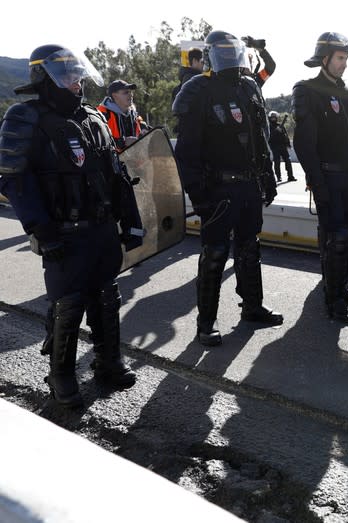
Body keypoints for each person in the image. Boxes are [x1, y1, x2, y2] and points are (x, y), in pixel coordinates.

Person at [0, 44, 143, 407]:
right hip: (62, 233)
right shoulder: (24, 117)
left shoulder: (93, 117)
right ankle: (61, 374)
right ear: (44, 78)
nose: (75, 82)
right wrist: (41, 230)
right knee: (69, 304)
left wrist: (131, 220)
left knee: (107, 298)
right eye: (65, 75)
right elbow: (13, 179)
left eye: (76, 73)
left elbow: (117, 174)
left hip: (101, 228)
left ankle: (108, 363)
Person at [173, 30, 283, 346]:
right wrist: (199, 195)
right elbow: (187, 152)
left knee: (250, 247)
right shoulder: (197, 90)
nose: (229, 57)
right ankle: (205, 323)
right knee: (215, 254)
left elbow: (261, 137)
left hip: (249, 184)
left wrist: (268, 176)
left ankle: (252, 306)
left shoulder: (249, 87)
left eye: (231, 51)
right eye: (221, 52)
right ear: (209, 56)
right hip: (218, 188)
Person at [292, 31, 348, 325]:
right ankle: (333, 300)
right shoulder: (306, 90)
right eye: (339, 58)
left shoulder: (346, 94)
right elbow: (304, 144)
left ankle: (339, 290)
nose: (344, 63)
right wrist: (317, 182)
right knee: (335, 239)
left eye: (346, 58)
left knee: (345, 239)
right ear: (325, 58)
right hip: (328, 179)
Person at [97, 79, 150, 150]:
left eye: (131, 92)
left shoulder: (133, 113)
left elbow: (142, 125)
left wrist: (145, 130)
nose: (130, 95)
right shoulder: (101, 114)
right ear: (114, 96)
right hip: (112, 160)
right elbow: (99, 143)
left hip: (135, 159)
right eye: (126, 92)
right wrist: (123, 142)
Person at [268, 111, 296, 182]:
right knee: (277, 162)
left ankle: (290, 176)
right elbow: (269, 136)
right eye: (272, 117)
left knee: (288, 160)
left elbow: (285, 135)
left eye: (275, 117)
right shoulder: (269, 127)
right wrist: (275, 131)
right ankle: (278, 177)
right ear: (270, 118)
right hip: (275, 147)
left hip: (283, 146)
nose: (273, 119)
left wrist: (288, 144)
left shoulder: (280, 126)